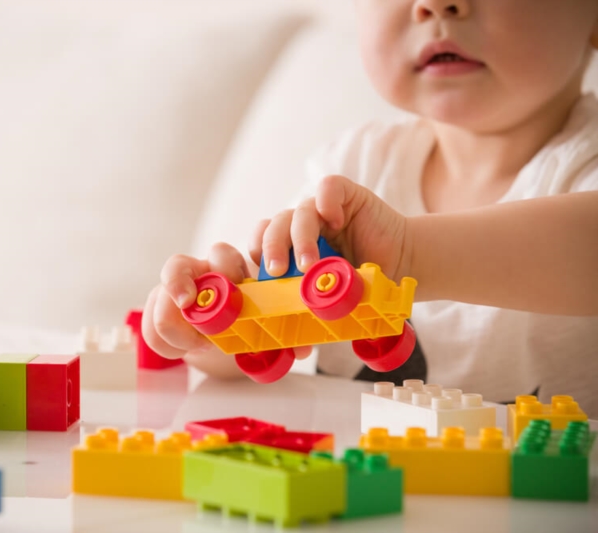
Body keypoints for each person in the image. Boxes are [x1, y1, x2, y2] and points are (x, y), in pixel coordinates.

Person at [141, 0, 598, 415]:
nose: (435, 5)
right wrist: (217, 325)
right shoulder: (354, 166)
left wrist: (412, 256)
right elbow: (269, 344)